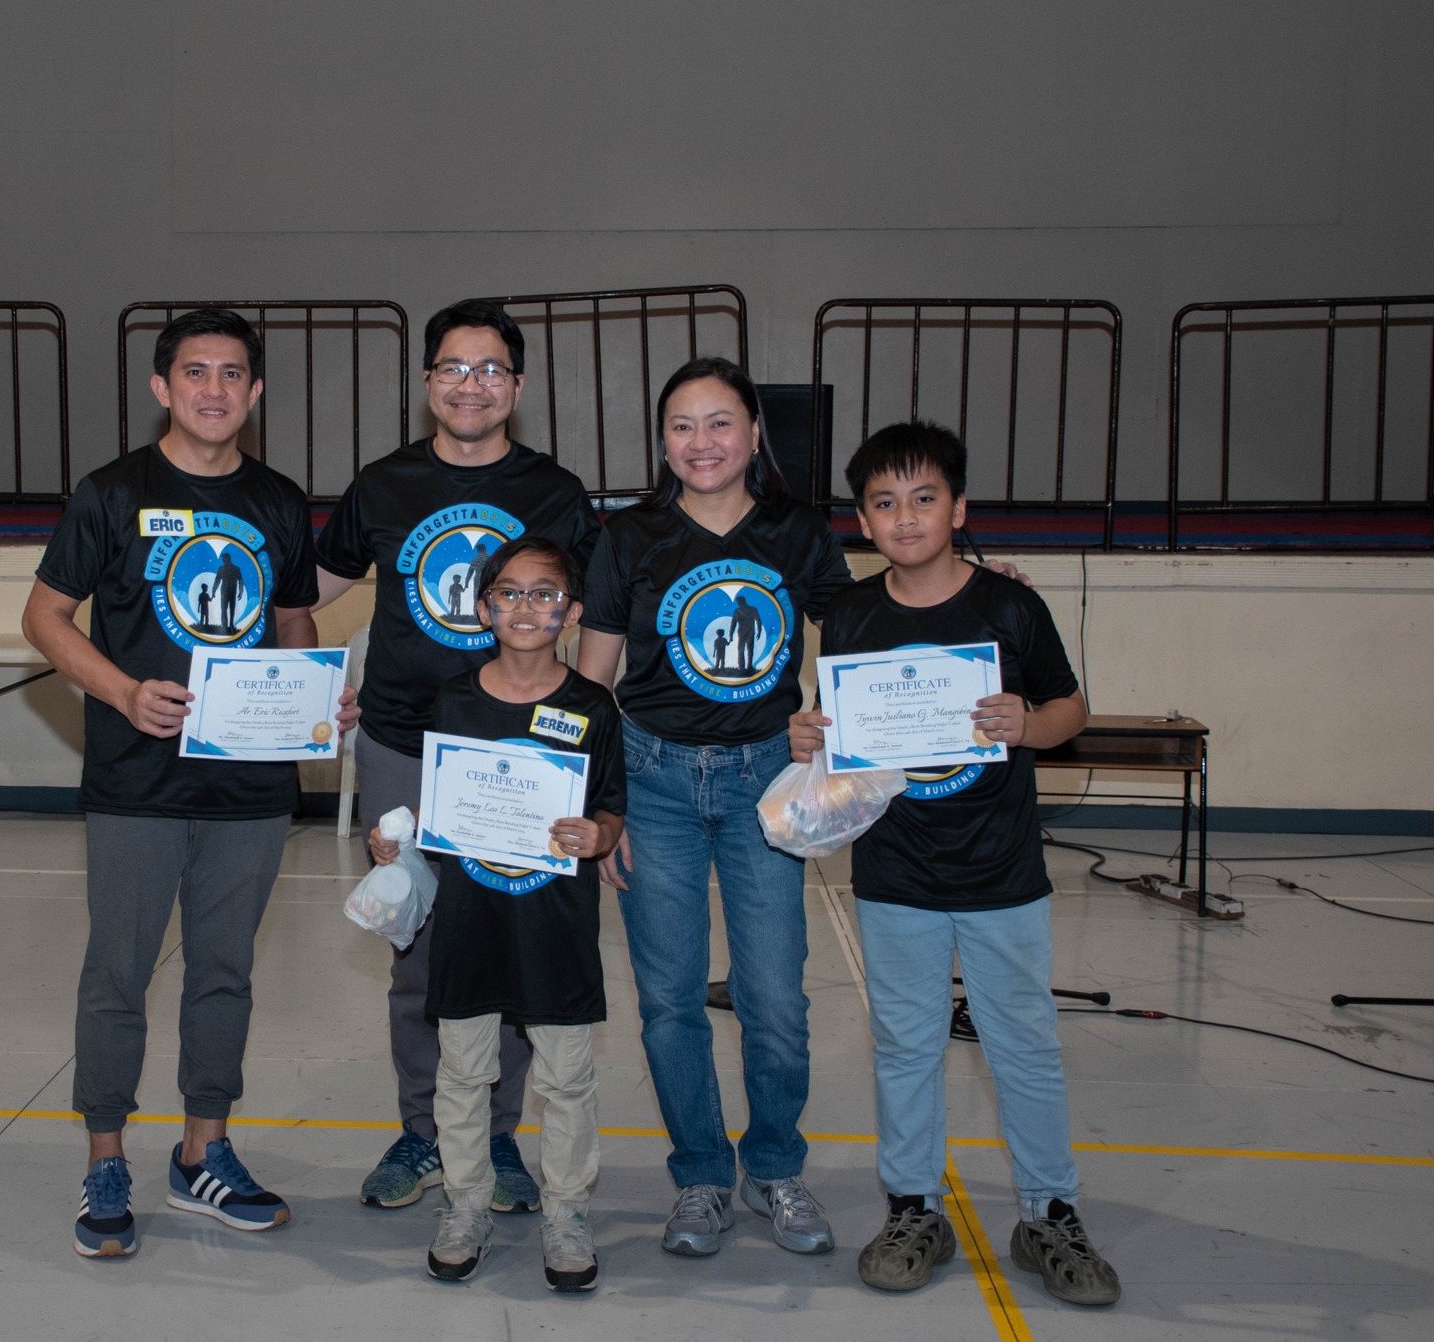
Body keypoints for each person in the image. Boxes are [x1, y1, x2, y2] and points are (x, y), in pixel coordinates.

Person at [22, 308, 344, 1260]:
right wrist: (122, 691)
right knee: (117, 973)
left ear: (253, 391)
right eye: (195, 372)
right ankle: (106, 1155)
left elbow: (293, 629)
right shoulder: (110, 492)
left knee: (224, 971)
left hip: (249, 788)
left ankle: (204, 1149)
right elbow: (44, 617)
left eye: (232, 373)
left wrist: (317, 702)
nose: (214, 389)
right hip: (135, 783)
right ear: (163, 388)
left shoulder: (280, 501)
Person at [791, 420, 1119, 1307]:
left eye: (924, 498)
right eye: (884, 503)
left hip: (1002, 870)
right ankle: (913, 1206)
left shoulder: (1009, 608)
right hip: (896, 873)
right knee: (904, 1044)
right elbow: (841, 734)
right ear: (861, 519)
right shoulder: (851, 614)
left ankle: (1051, 1210)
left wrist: (1030, 723)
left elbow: (1069, 707)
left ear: (958, 507)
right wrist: (809, 734)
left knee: (1024, 1045)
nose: (905, 517)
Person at [315, 299, 602, 1214]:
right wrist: (308, 690)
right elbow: (304, 596)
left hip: (519, 755)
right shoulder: (382, 483)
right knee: (418, 944)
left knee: (509, 939)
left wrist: (582, 725)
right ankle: (424, 1130)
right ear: (429, 382)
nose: (469, 384)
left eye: (488, 369)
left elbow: (596, 618)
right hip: (403, 741)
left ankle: (499, 1135)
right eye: (452, 367)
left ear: (515, 386)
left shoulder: (555, 490)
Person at [576, 355, 849, 1261]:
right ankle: (699, 1173)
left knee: (774, 997)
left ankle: (773, 1164)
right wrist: (601, 802)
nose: (702, 442)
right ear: (663, 440)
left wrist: (970, 583)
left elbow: (860, 637)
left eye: (721, 423)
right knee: (667, 1001)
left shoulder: (797, 532)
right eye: (683, 426)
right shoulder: (629, 537)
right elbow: (591, 679)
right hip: (652, 783)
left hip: (766, 784)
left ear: (755, 433)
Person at [368, 536, 624, 1291]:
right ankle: (466, 1202)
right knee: (463, 1071)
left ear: (571, 612)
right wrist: (400, 832)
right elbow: (447, 801)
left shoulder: (590, 706)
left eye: (545, 594)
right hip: (471, 923)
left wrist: (598, 833)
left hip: (556, 927)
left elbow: (611, 811)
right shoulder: (454, 698)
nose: (526, 607)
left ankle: (568, 1210)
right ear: (483, 608)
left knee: (568, 1078)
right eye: (509, 593)